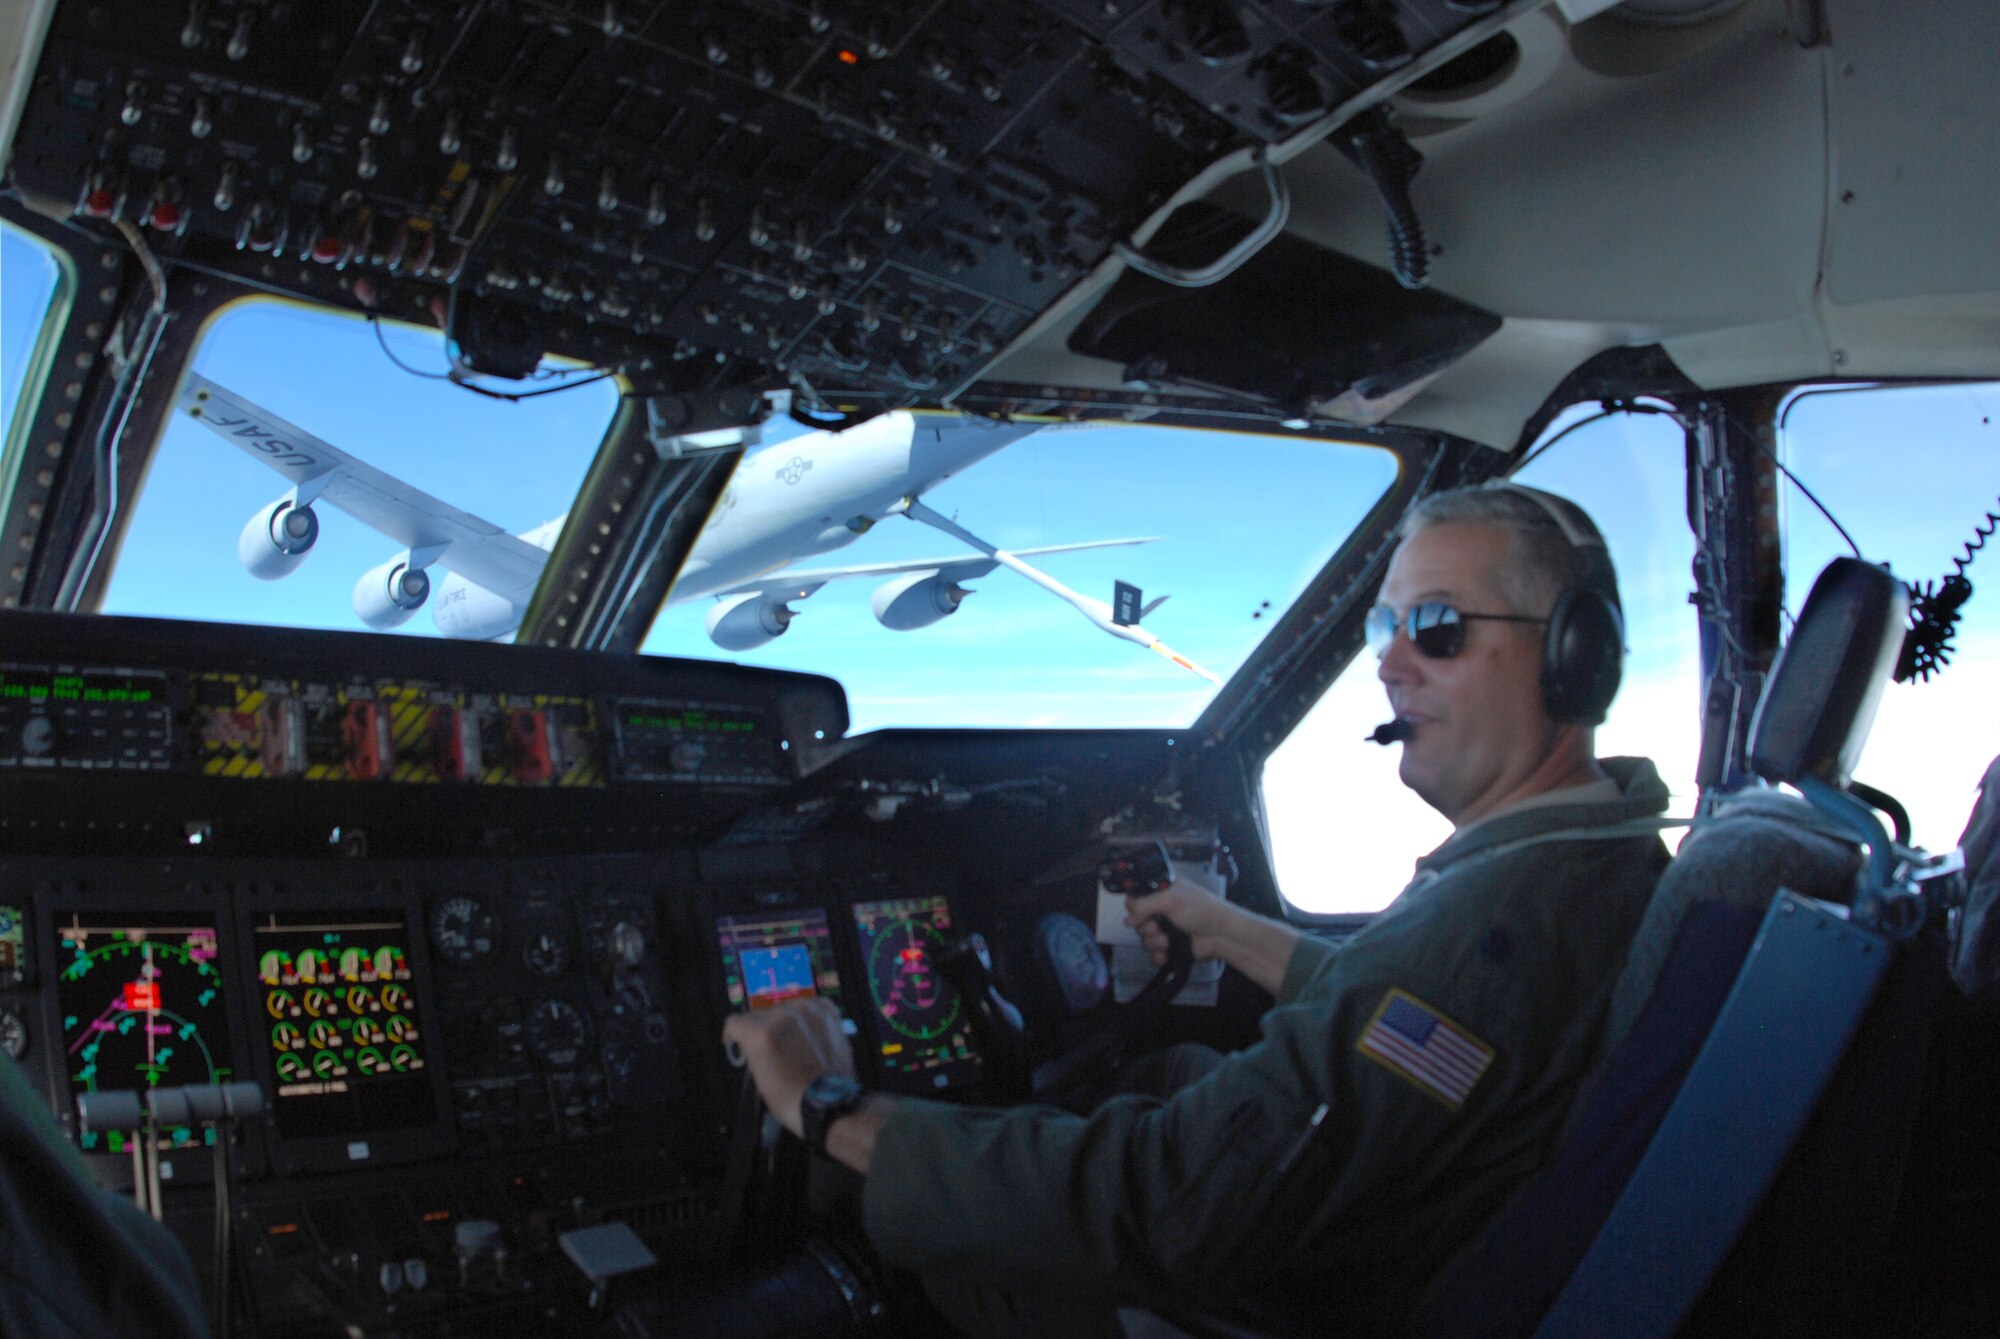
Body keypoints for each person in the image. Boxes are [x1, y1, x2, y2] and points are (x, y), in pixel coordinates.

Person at [723, 484, 1673, 1335]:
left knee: (903, 1239)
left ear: (1572, 658)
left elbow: (1169, 1206)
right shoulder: (1598, 860)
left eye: (1434, 625)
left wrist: (829, 1106)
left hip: (1294, 1297)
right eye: (1383, 626)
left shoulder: (1492, 928)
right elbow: (1412, 1029)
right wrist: (1227, 930)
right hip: (1394, 1238)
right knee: (1173, 1066)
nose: (1388, 663)